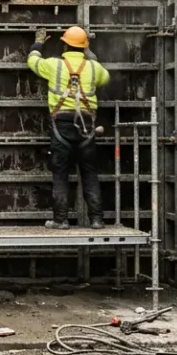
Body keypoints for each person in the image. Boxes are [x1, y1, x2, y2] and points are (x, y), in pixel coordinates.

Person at [27, 26, 111, 229]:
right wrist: (90, 55)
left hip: (61, 127)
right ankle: (97, 219)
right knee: (90, 173)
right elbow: (105, 77)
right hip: (86, 128)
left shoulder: (54, 65)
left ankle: (61, 219)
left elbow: (32, 62)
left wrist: (38, 44)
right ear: (84, 47)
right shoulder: (94, 68)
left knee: (60, 174)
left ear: (64, 45)